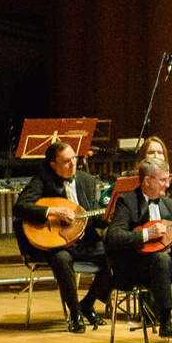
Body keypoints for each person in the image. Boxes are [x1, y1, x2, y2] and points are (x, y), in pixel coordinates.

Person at [105, 158, 172, 339]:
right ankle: (166, 321)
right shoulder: (127, 202)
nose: (167, 184)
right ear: (147, 180)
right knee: (162, 258)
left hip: (164, 265)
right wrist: (147, 234)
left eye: (168, 179)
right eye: (163, 180)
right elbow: (113, 237)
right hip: (135, 267)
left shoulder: (170, 205)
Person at [13, 139, 110, 332]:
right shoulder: (42, 180)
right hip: (56, 245)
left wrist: (108, 216)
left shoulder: (86, 180)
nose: (73, 164)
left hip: (85, 242)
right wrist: (54, 212)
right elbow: (20, 207)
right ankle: (75, 314)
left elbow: (92, 216)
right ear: (53, 164)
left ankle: (88, 304)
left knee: (115, 257)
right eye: (66, 161)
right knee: (62, 260)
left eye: (74, 158)